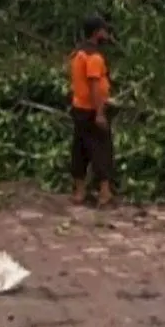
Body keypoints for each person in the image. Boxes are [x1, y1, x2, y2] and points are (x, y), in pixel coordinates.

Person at [69, 14, 115, 207]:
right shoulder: (94, 57)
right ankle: (104, 192)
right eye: (104, 30)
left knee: (80, 149)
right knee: (101, 150)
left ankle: (80, 192)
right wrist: (100, 113)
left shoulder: (78, 53)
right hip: (91, 110)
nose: (106, 34)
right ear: (97, 33)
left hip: (78, 108)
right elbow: (95, 86)